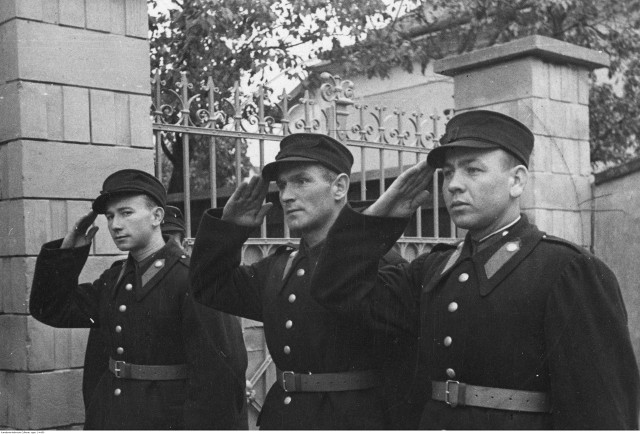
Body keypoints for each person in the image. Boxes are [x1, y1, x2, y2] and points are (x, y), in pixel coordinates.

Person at [308, 110, 640, 429]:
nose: (453, 184)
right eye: (448, 173)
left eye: (473, 170)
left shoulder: (567, 271)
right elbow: (337, 291)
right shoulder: (434, 270)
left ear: (516, 181)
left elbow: (601, 412)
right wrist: (379, 218)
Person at [189, 133, 420, 429]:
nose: (285, 195)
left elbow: (405, 373)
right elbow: (209, 287)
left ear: (339, 187)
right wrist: (229, 228)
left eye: (301, 181)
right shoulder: (281, 267)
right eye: (283, 185)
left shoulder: (381, 263)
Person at [29, 169, 248, 430]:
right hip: (110, 417)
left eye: (126, 213)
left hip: (166, 421)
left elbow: (219, 377)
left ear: (157, 216)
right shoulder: (115, 278)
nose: (115, 225)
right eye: (110, 216)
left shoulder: (191, 279)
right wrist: (68, 253)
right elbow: (50, 309)